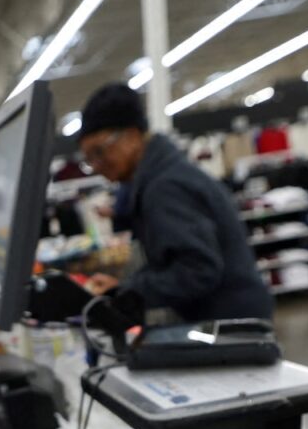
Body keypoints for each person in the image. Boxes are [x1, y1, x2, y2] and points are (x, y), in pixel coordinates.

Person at [77, 83, 273, 322]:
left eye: (99, 151)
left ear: (131, 136)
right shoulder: (165, 174)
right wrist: (126, 286)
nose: (96, 165)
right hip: (232, 320)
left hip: (230, 330)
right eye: (88, 159)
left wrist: (129, 291)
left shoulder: (165, 187)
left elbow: (198, 271)